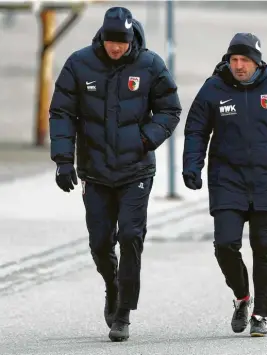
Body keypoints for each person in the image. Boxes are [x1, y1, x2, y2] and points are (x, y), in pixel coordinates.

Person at [49, 7, 181, 342]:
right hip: (94, 169)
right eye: (111, 41)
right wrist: (63, 160)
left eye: (121, 42)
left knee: (131, 237)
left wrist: (145, 138)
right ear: (102, 37)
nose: (116, 48)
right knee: (99, 243)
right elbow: (62, 111)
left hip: (136, 168)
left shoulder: (150, 65)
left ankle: (123, 312)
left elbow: (169, 108)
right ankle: (112, 285)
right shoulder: (79, 64)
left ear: (131, 38)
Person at [182, 32, 267, 337]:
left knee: (265, 249)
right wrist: (192, 165)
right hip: (227, 180)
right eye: (234, 59)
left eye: (245, 60)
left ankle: (260, 314)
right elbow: (196, 131)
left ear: (257, 61)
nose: (239, 65)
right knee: (225, 245)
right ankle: (242, 297)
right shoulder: (213, 89)